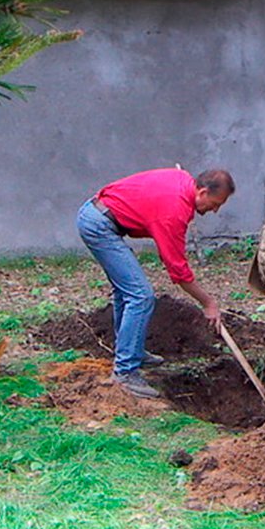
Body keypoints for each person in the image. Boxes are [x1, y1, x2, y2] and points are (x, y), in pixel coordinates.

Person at [76, 167, 234, 398]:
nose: (215, 210)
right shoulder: (174, 212)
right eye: (216, 203)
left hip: (98, 214)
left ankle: (131, 351)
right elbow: (178, 272)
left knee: (127, 291)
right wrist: (208, 303)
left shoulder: (182, 180)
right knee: (140, 295)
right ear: (201, 192)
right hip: (99, 226)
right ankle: (125, 373)